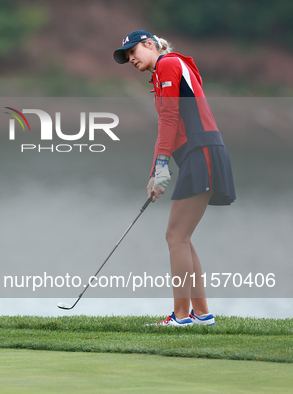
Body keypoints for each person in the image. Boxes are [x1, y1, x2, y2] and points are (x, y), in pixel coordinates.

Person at [113, 30, 236, 326]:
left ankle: (181, 316)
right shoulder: (165, 71)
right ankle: (202, 314)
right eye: (127, 56)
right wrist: (157, 169)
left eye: (134, 51)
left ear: (151, 44)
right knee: (182, 237)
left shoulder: (168, 64)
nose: (131, 58)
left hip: (201, 151)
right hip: (200, 151)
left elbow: (169, 119)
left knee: (175, 236)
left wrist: (161, 166)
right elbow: (169, 122)